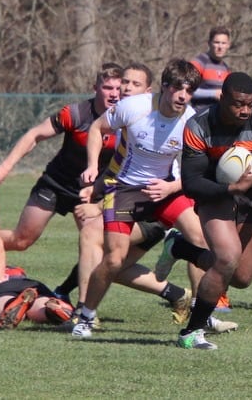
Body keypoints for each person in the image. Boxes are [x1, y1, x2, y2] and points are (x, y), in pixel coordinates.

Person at [71, 59, 212, 339]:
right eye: (177, 88)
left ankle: (200, 312)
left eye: (189, 90)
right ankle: (86, 317)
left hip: (165, 190)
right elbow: (97, 129)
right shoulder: (134, 107)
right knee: (114, 259)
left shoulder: (191, 122)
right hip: (124, 190)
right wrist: (92, 165)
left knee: (201, 240)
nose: (183, 96)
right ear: (164, 87)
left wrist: (171, 188)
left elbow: (199, 171)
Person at [0, 63, 123, 308]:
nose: (113, 93)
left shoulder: (127, 120)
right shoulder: (76, 113)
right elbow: (34, 135)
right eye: (107, 87)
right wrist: (4, 168)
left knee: (95, 244)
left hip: (90, 193)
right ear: (95, 88)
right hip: (56, 184)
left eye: (118, 88)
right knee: (21, 240)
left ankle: (79, 305)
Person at [175, 72, 252, 350]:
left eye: (250, 104)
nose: (245, 111)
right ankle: (191, 332)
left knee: (241, 278)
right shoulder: (198, 126)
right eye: (238, 104)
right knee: (227, 259)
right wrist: (233, 189)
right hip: (215, 194)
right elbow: (192, 184)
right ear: (222, 98)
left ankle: (182, 248)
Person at [190, 26, 232, 112]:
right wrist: (213, 94)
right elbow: (187, 91)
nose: (220, 47)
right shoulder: (198, 63)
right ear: (209, 43)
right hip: (199, 117)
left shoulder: (226, 69)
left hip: (218, 118)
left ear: (228, 45)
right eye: (216, 42)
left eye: (223, 43)